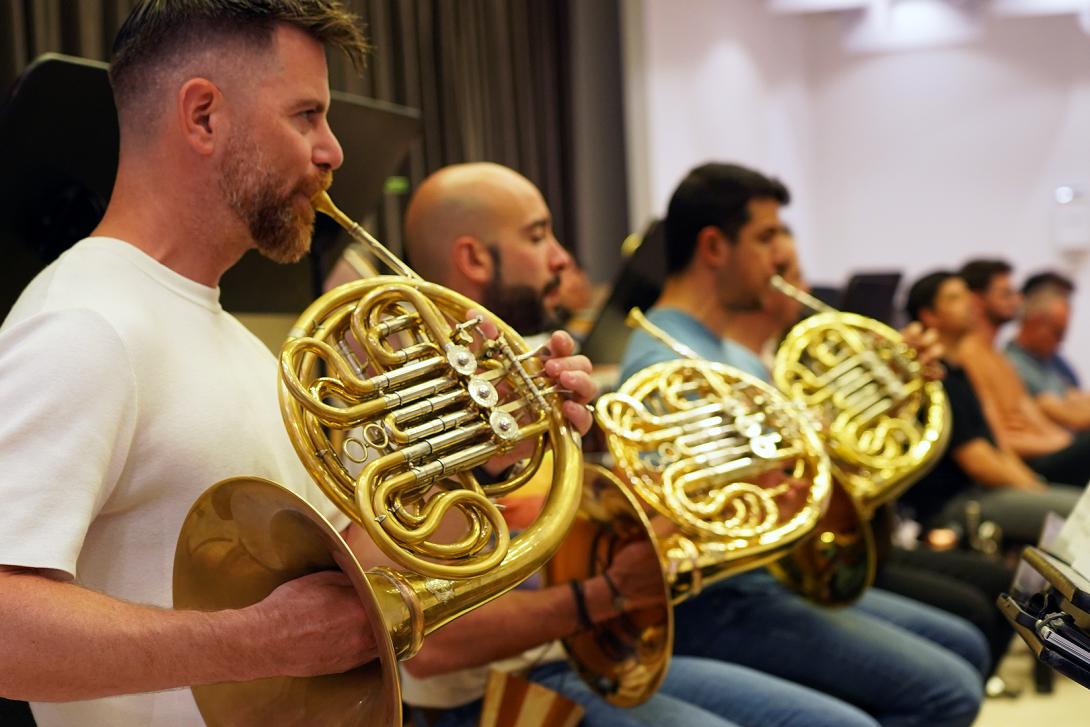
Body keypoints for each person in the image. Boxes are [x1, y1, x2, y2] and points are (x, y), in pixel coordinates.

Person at [0, 5, 595, 726]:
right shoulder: (85, 322)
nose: (333, 151)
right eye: (307, 116)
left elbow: (342, 573)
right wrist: (256, 642)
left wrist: (490, 447)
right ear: (204, 116)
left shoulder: (229, 337)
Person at [392, 162, 893, 727]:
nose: (563, 258)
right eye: (538, 236)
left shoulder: (519, 371)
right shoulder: (421, 407)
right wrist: (603, 594)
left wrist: (693, 500)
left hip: (577, 646)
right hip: (494, 695)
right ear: (475, 259)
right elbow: (435, 648)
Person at [621, 162, 987, 727]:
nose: (779, 256)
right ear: (714, 246)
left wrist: (896, 387)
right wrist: (788, 464)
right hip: (726, 600)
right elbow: (692, 519)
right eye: (766, 237)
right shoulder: (663, 362)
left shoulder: (732, 352)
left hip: (773, 579)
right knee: (946, 693)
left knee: (965, 645)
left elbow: (820, 458)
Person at [725, 235, 1015, 682]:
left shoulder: (784, 360)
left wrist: (900, 390)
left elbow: (866, 454)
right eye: (791, 274)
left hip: (874, 540)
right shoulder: (748, 365)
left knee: (990, 594)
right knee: (964, 635)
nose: (802, 287)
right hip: (814, 559)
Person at [901, 271, 1081, 542]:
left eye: (966, 295)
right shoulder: (934, 380)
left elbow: (996, 442)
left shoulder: (959, 370)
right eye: (955, 298)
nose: (970, 303)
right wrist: (1031, 488)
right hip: (957, 503)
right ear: (929, 315)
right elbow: (978, 461)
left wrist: (1033, 483)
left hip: (986, 491)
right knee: (1080, 516)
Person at [958, 259, 1090, 485]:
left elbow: (1030, 412)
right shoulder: (969, 356)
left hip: (1042, 451)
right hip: (1025, 463)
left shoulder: (995, 354)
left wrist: (1063, 441)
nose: (1018, 300)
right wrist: (1031, 481)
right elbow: (997, 439)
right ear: (978, 300)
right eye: (1005, 294)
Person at [1006, 272, 1090, 430]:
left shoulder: (1058, 362)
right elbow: (1058, 412)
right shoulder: (1010, 364)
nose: (1061, 340)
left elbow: (1079, 398)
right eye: (1057, 332)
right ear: (1034, 322)